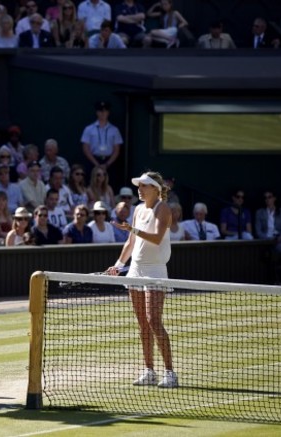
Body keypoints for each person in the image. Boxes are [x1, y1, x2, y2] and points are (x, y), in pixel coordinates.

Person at [106, 171, 177, 388]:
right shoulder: (137, 209)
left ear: (156, 188)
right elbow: (131, 242)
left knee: (154, 320)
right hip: (135, 270)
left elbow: (155, 238)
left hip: (155, 271)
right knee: (142, 324)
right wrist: (119, 265)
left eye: (145, 185)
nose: (140, 188)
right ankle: (149, 371)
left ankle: (170, 373)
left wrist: (133, 229)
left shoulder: (163, 208)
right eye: (139, 185)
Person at [81, 101, 123, 182]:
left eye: (105, 111)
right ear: (97, 112)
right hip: (93, 161)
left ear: (108, 112)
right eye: (100, 111)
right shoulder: (89, 129)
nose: (103, 113)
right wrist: (96, 164)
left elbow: (116, 149)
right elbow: (85, 148)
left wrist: (107, 164)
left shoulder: (114, 130)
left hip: (109, 162)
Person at [255, 190, 281, 255]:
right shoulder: (259, 212)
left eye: (269, 197)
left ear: (274, 198)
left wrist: (280, 238)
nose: (267, 199)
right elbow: (258, 231)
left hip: (278, 240)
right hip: (265, 240)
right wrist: (267, 240)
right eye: (265, 198)